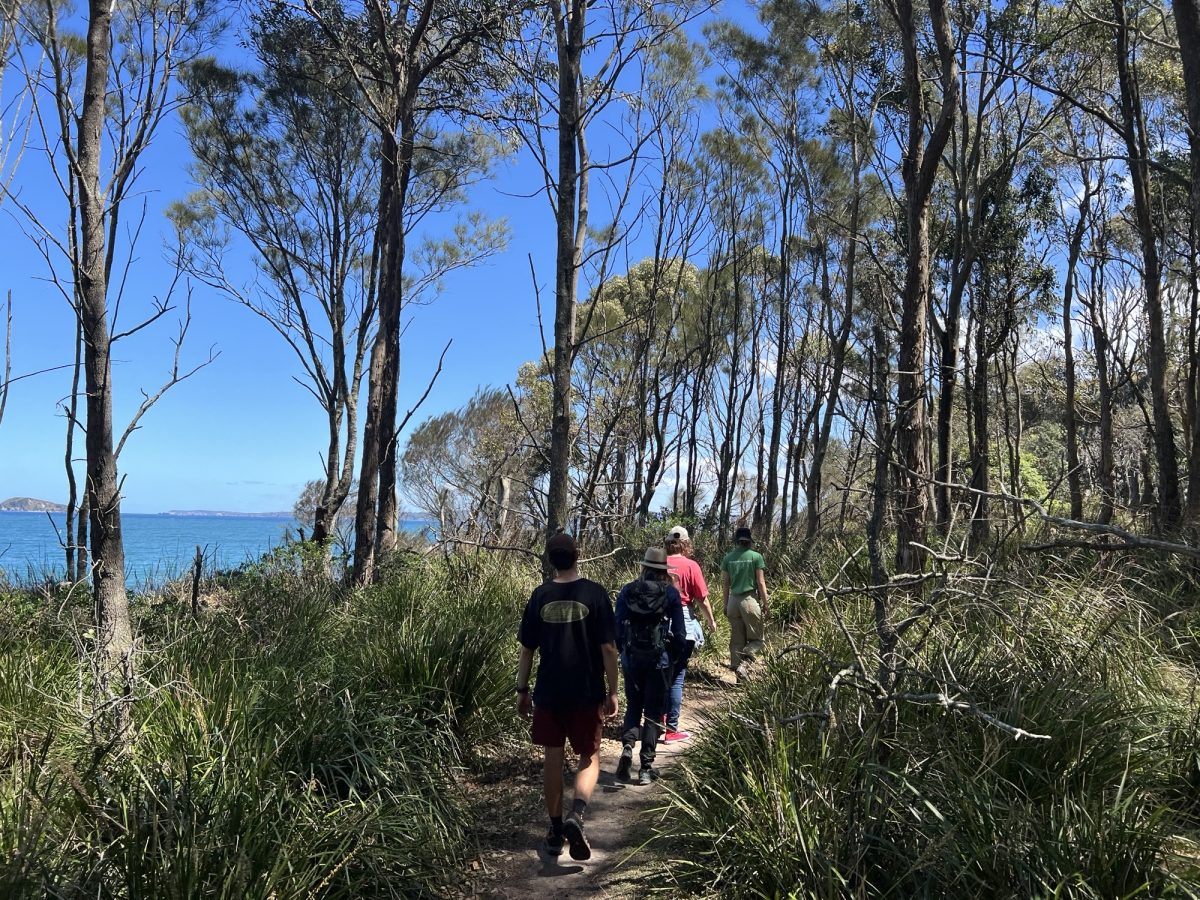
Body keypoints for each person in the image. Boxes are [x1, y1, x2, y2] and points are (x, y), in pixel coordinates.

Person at [517, 532, 619, 861]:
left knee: (553, 756)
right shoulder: (596, 594)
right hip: (586, 692)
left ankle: (554, 829)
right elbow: (608, 648)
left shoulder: (540, 595)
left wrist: (522, 690)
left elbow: (527, 650)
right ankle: (578, 815)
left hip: (549, 691)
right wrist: (614, 690)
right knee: (588, 755)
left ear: (550, 559)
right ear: (578, 554)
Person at [614, 547, 685, 784]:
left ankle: (627, 746)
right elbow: (680, 634)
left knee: (634, 704)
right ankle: (645, 768)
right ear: (664, 570)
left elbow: (616, 628)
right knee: (654, 711)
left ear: (643, 567)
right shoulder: (671, 594)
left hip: (632, 657)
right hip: (659, 660)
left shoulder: (628, 590)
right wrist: (673, 657)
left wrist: (624, 650)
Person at [663, 527, 716, 742]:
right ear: (686, 544)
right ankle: (671, 729)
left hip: (658, 620)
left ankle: (659, 719)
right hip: (682, 620)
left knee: (662, 674)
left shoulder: (658, 563)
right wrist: (711, 621)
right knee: (677, 676)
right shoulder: (691, 566)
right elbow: (702, 598)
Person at [720, 525, 769, 679]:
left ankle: (738, 673)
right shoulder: (756, 557)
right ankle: (746, 662)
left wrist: (725, 604)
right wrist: (766, 604)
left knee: (737, 639)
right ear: (749, 541)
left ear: (737, 541)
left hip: (733, 602)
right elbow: (760, 583)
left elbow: (726, 584)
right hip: (749, 600)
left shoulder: (728, 558)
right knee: (758, 639)